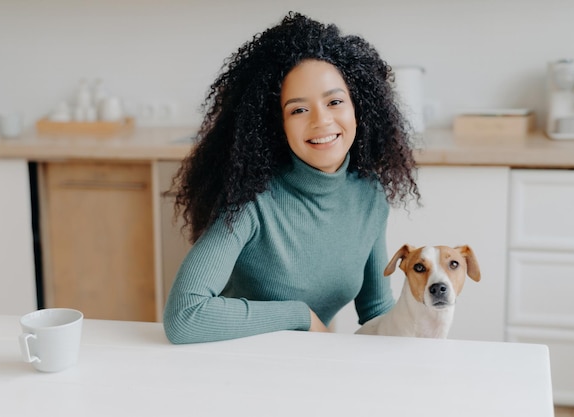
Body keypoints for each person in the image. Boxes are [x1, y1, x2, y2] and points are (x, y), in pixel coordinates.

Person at [163, 12, 419, 344]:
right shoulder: (251, 202)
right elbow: (185, 317)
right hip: (234, 365)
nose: (322, 121)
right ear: (276, 124)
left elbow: (375, 311)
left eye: (335, 101)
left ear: (359, 107)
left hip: (305, 366)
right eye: (298, 109)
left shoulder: (369, 196)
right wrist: (298, 316)